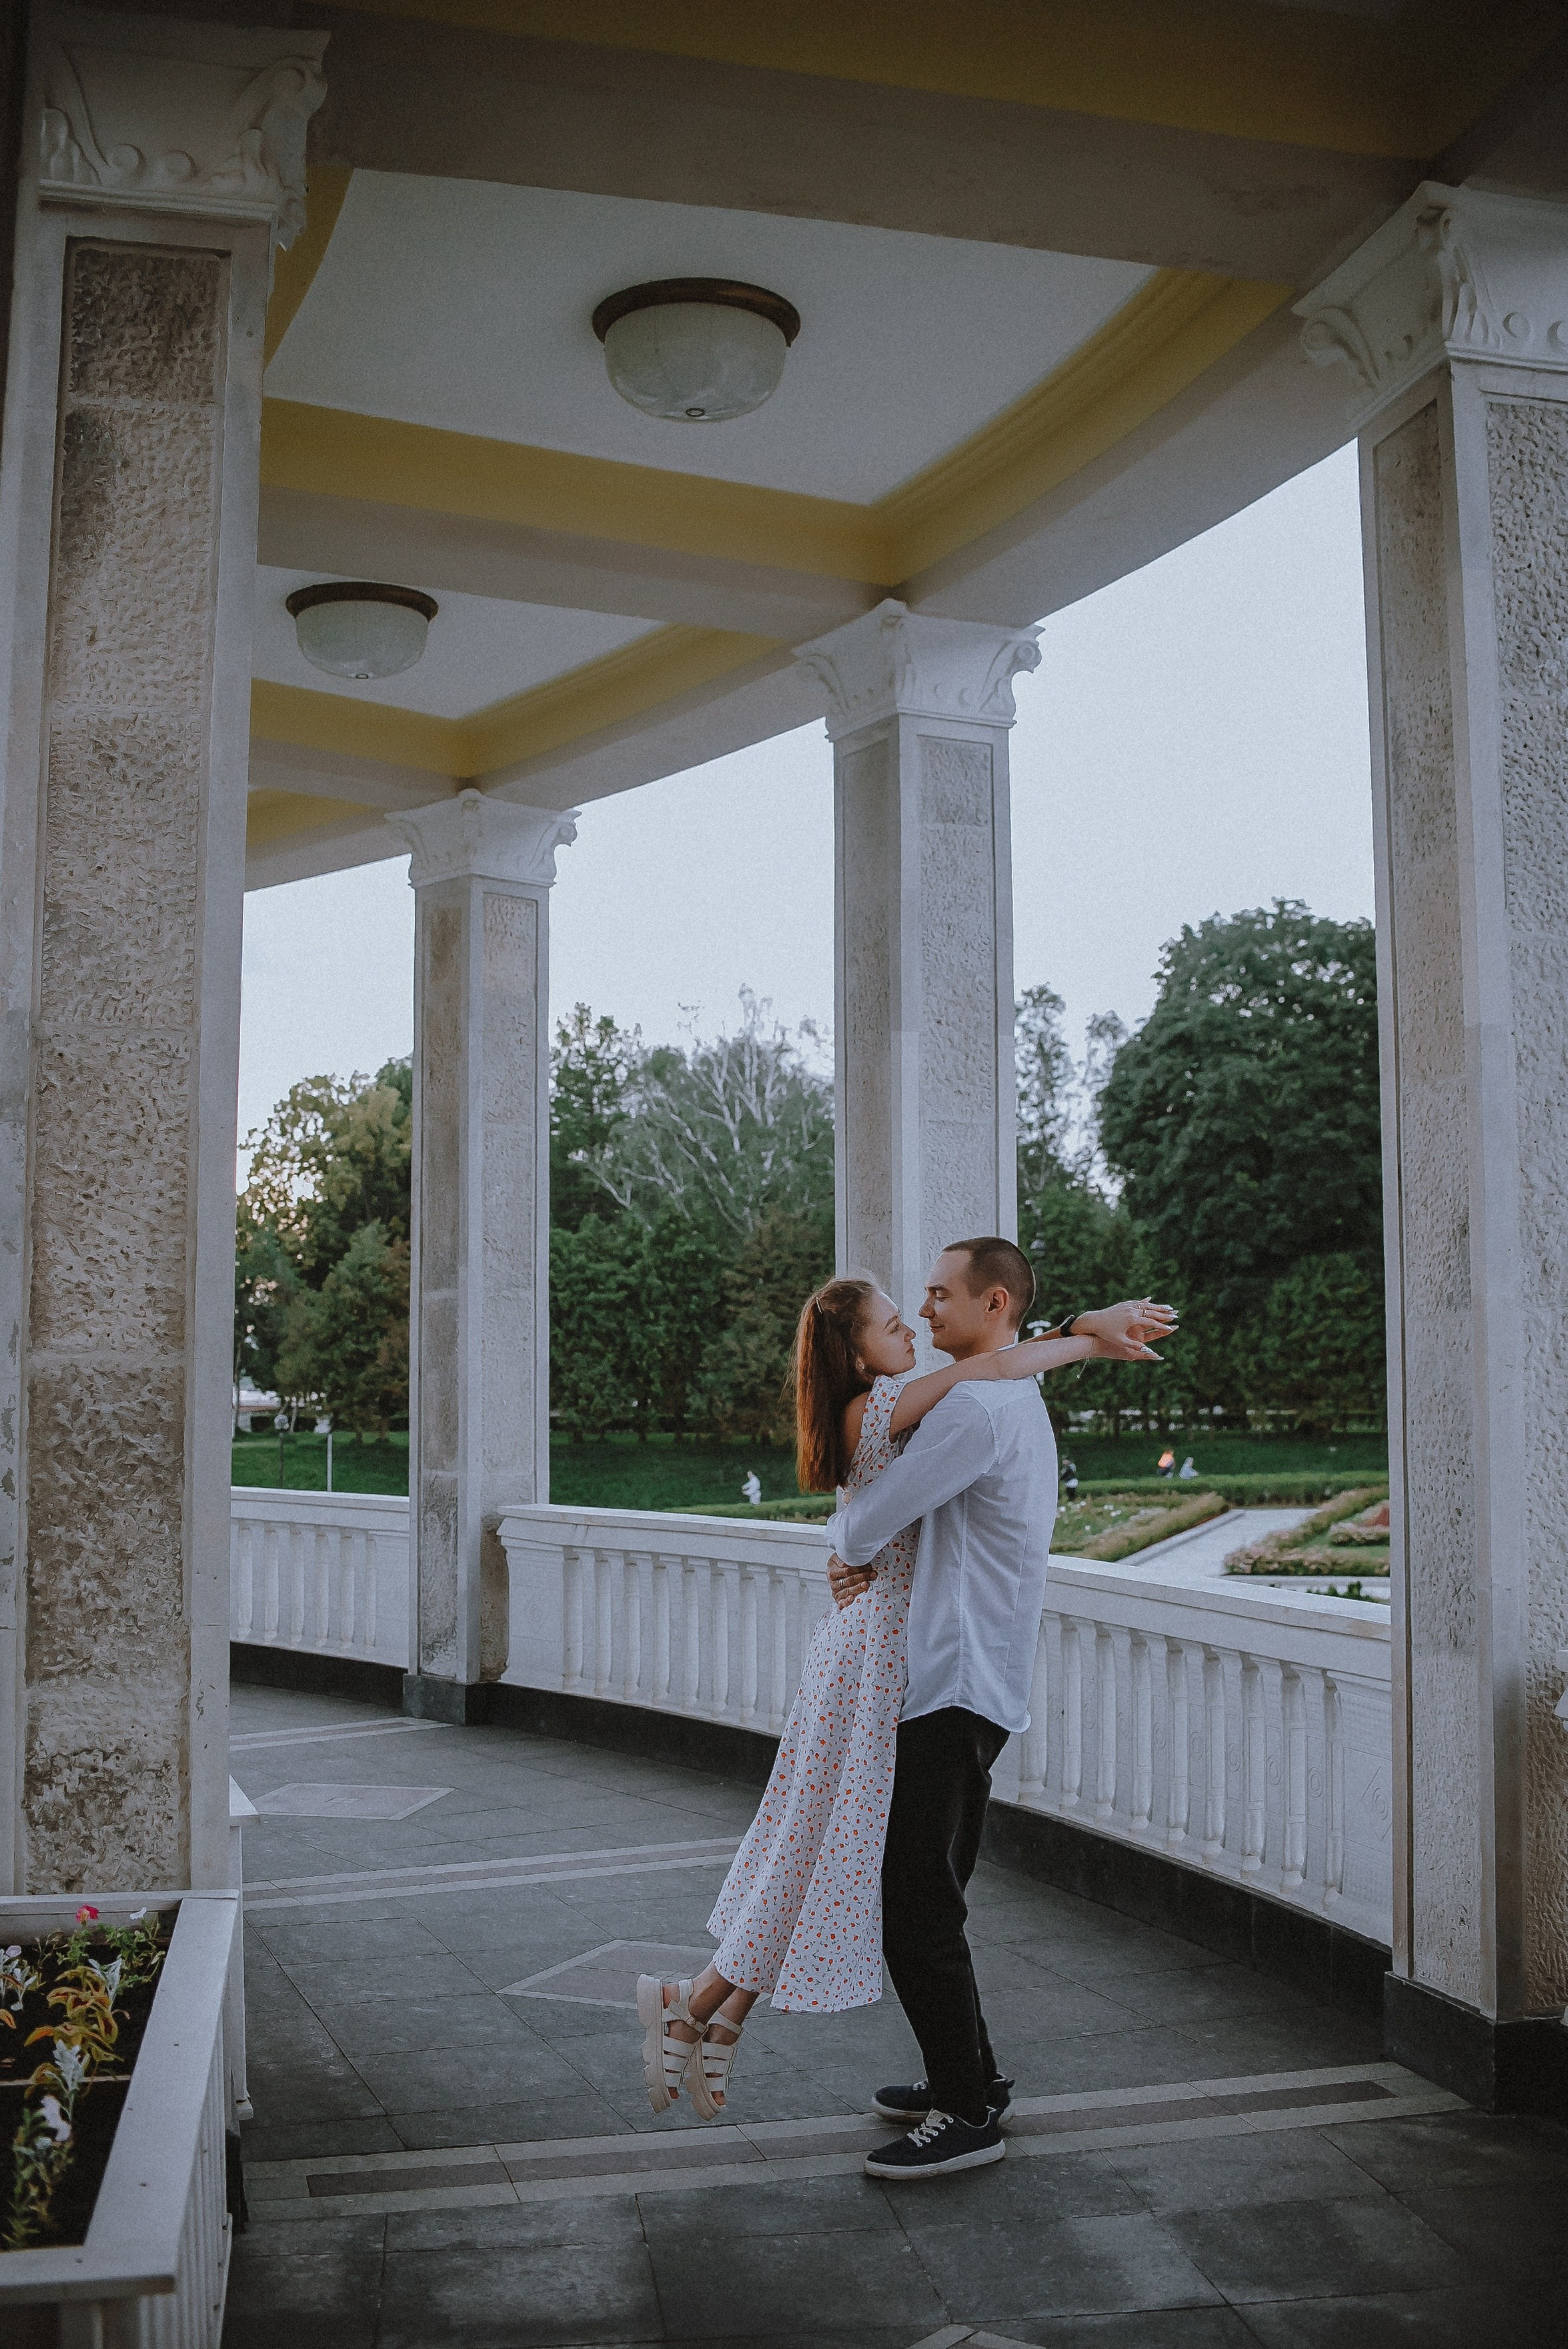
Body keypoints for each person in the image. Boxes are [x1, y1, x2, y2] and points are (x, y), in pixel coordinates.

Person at [636, 1270, 1172, 2124]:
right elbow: (992, 1372)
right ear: (856, 1354)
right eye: (894, 1322)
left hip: (884, 1648)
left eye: (920, 1307)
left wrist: (1078, 1330)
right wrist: (1085, 1333)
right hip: (888, 1654)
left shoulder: (892, 1405)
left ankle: (712, 2007)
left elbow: (991, 1375)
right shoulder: (894, 1405)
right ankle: (714, 2007)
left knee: (829, 1848)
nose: (913, 1327)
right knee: (853, 1859)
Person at [824, 1239, 1176, 2179]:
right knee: (933, 1891)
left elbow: (862, 1524)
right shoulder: (1005, 1395)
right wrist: (1080, 1334)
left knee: (913, 1905)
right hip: (977, 1679)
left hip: (945, 1680)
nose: (925, 1310)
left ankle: (967, 2110)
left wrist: (846, 1542)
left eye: (937, 1295)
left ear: (990, 1303)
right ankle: (966, 2071)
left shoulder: (975, 1406)